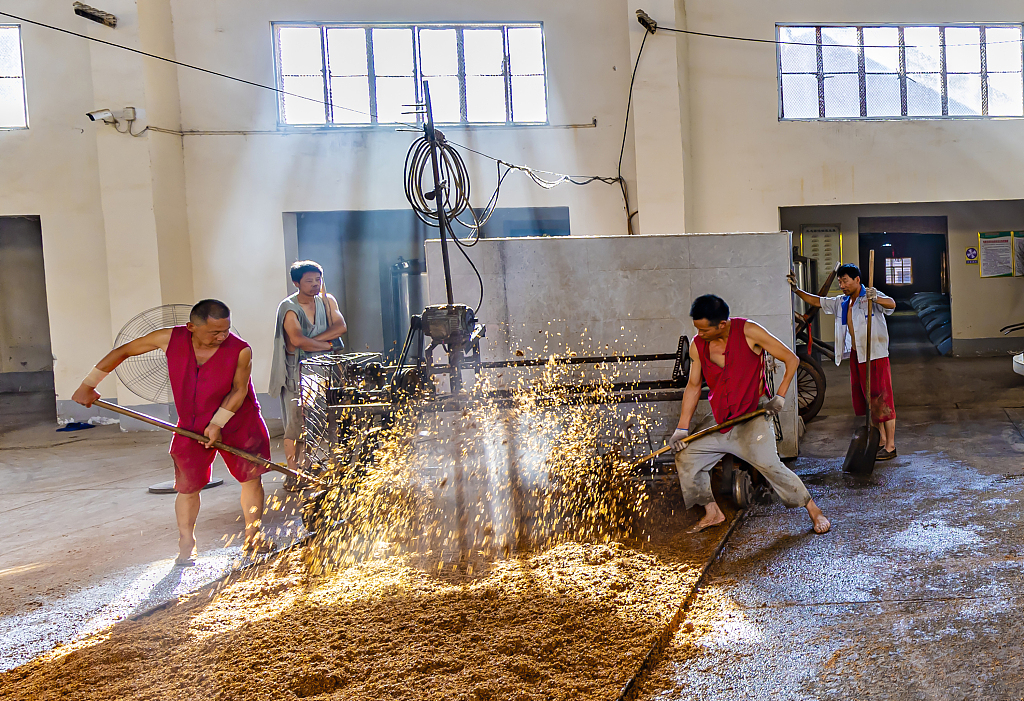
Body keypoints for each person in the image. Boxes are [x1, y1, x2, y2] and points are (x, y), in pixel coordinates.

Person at [72, 299, 273, 565]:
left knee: (251, 478)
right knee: (188, 486)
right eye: (214, 332)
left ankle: (253, 537)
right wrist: (89, 383)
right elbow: (124, 351)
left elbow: (239, 390)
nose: (222, 337)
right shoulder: (169, 338)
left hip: (238, 420)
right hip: (191, 424)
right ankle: (186, 543)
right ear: (191, 327)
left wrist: (217, 423)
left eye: (226, 330)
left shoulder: (240, 350)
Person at [672, 294, 831, 534]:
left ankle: (813, 509)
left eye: (704, 330)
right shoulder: (697, 345)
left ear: (722, 325)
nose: (700, 334)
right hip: (722, 414)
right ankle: (712, 512)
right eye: (698, 329)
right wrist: (682, 428)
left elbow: (791, 359)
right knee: (686, 455)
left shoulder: (749, 332)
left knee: (770, 465)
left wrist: (779, 395)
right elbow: (694, 386)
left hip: (753, 411)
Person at [787, 263, 897, 460]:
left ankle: (890, 446)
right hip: (858, 355)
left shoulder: (870, 295)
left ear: (857, 279)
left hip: (876, 355)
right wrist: (795, 290)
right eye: (840, 281)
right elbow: (818, 301)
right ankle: (880, 440)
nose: (842, 285)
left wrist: (876, 297)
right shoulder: (843, 301)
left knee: (883, 399)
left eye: (845, 280)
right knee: (870, 400)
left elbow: (891, 304)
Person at [269, 261, 347, 489]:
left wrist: (315, 344)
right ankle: (293, 472)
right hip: (297, 371)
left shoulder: (327, 300)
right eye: (309, 281)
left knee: (314, 421)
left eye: (318, 279)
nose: (315, 285)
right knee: (296, 422)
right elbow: (297, 340)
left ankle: (308, 464)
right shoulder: (289, 307)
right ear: (296, 283)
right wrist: (326, 344)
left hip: (321, 369)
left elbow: (340, 327)